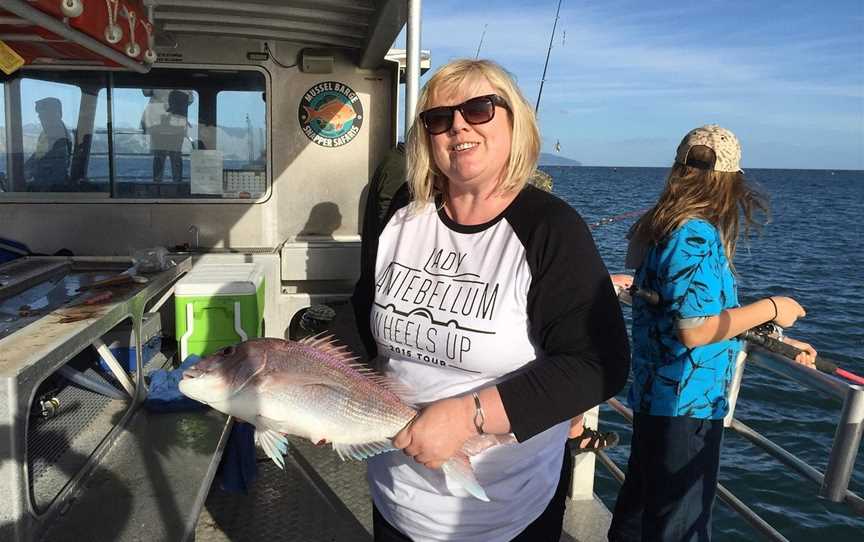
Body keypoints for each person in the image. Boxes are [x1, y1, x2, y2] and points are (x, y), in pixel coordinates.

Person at [351, 59, 630, 542]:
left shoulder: (552, 229)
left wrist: (466, 416)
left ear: (514, 121)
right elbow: (365, 312)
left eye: (479, 108)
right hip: (397, 500)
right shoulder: (402, 212)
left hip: (504, 515)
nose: (457, 124)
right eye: (438, 118)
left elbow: (597, 363)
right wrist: (321, 391)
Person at [607, 125, 817, 542]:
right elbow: (696, 330)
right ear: (730, 180)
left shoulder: (662, 226)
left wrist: (757, 325)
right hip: (688, 404)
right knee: (679, 525)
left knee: (640, 511)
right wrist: (774, 307)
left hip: (654, 395)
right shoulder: (696, 235)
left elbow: (661, 286)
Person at [141, 89, 193, 182]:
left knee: (159, 156)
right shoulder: (186, 82)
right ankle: (177, 186)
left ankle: (157, 185)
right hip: (177, 123)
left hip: (158, 123)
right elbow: (190, 100)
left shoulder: (157, 78)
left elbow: (146, 92)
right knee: (176, 156)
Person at [24, 97, 71, 191]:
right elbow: (38, 155)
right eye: (40, 115)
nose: (40, 118)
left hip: (51, 189)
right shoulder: (46, 134)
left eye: (44, 115)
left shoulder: (59, 136)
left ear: (56, 114)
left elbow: (56, 170)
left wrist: (31, 174)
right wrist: (23, 169)